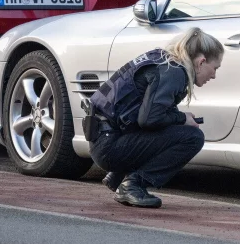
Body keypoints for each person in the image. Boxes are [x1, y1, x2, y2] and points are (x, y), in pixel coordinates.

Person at [86, 27, 224, 208]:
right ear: (201, 62)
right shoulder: (174, 71)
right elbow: (149, 119)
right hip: (109, 146)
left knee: (176, 128)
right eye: (214, 68)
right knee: (193, 137)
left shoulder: (162, 60)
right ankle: (133, 184)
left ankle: (119, 174)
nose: (214, 75)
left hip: (104, 139)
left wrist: (181, 117)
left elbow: (145, 112)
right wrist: (182, 119)